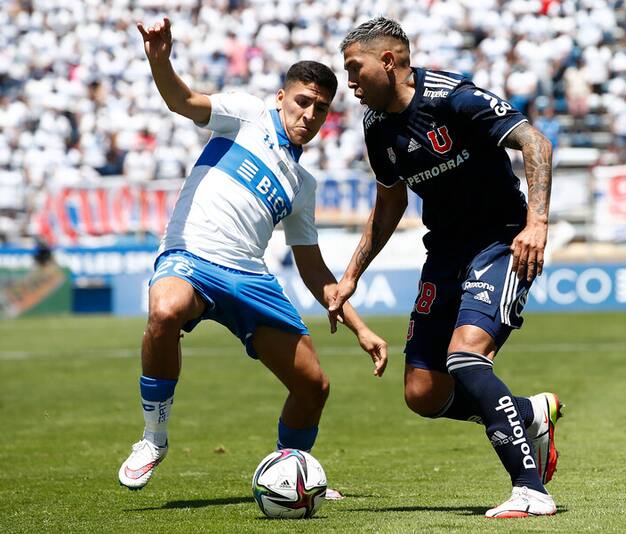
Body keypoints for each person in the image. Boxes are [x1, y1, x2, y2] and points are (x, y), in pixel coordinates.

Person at [118, 17, 388, 491]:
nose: (309, 114)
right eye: (303, 102)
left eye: (321, 109)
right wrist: (160, 62)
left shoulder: (303, 187)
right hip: (192, 255)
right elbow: (183, 101)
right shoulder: (246, 114)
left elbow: (312, 268)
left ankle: (295, 474)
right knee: (165, 310)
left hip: (248, 277)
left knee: (313, 387)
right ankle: (153, 438)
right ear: (281, 98)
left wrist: (361, 329)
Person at [328, 17, 563, 518]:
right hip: (445, 254)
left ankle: (531, 490)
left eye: (354, 68)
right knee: (423, 393)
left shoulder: (452, 97)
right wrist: (351, 276)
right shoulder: (376, 129)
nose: (348, 82)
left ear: (388, 61)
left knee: (466, 358)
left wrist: (536, 223)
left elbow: (536, 144)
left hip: (501, 242)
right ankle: (526, 414)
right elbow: (388, 205)